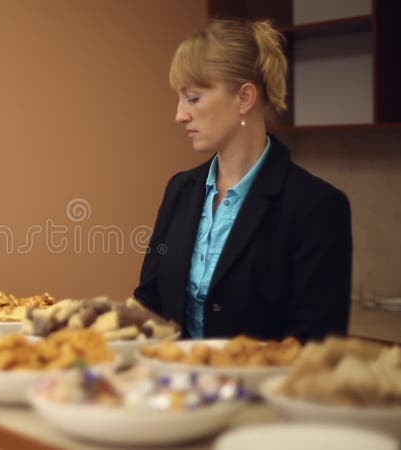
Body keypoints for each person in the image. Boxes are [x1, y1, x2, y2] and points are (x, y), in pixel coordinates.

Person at [133, 19, 352, 341]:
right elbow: (150, 305)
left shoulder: (317, 207)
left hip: (263, 391)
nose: (179, 115)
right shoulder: (180, 190)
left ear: (244, 98)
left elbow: (315, 345)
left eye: (193, 98)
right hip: (174, 388)